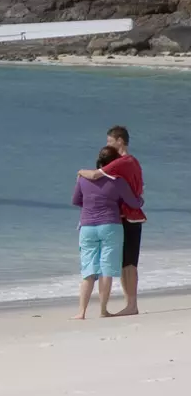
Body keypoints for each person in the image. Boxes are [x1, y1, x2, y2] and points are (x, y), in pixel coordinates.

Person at [77, 126, 146, 316]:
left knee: (129, 263)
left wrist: (81, 171)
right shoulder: (135, 162)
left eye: (110, 141)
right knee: (126, 262)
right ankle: (130, 304)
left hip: (127, 217)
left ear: (120, 141)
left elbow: (96, 174)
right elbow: (140, 188)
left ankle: (131, 305)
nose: (108, 145)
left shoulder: (121, 162)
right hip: (129, 214)